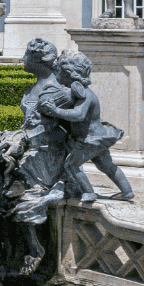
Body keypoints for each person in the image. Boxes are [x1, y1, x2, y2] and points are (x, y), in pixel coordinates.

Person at [37, 51, 131, 202]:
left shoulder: (85, 94)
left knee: (71, 164)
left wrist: (55, 110)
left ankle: (89, 192)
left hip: (89, 139)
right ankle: (127, 191)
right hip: (99, 136)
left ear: (68, 73)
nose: (56, 75)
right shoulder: (80, 93)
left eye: (59, 71)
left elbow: (78, 115)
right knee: (106, 165)